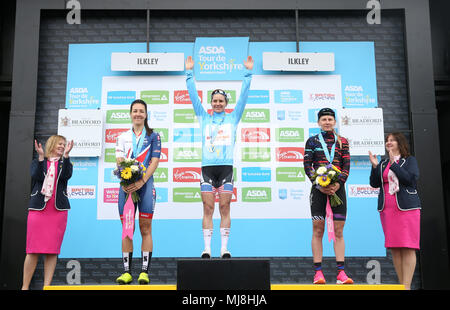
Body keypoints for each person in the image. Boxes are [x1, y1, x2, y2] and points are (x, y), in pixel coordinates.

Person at [185, 55, 254, 258]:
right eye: (214, 100)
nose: (217, 103)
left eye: (221, 101)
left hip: (226, 168)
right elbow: (193, 97)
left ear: (225, 103)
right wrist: (189, 74)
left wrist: (248, 74)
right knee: (207, 208)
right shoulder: (203, 117)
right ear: (211, 102)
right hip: (207, 168)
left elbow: (243, 97)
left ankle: (224, 249)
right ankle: (207, 248)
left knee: (224, 207)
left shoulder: (233, 117)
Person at [303, 108, 353, 284]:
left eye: (330, 119)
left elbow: (346, 166)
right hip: (318, 190)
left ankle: (341, 273)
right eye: (323, 119)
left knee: (339, 231)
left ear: (335, 122)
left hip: (338, 189)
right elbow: (307, 165)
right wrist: (318, 184)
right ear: (318, 122)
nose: (327, 122)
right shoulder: (312, 141)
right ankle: (318, 273)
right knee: (318, 229)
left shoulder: (343, 142)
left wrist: (338, 184)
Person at [115, 99, 161, 285]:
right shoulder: (122, 136)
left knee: (145, 228)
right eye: (135, 111)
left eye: (141, 111)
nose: (138, 114)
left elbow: (155, 162)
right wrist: (126, 180)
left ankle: (144, 272)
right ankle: (126, 272)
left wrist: (142, 181)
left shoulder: (154, 136)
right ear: (130, 114)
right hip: (126, 186)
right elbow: (119, 161)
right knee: (127, 230)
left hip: (146, 186)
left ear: (146, 114)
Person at [369, 132, 421, 290]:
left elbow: (410, 180)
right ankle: (402, 286)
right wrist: (375, 166)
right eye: (387, 140)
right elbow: (374, 184)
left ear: (400, 143)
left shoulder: (409, 160)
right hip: (388, 209)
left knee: (408, 246)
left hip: (407, 208)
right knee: (395, 248)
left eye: (392, 140)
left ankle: (407, 286)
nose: (388, 142)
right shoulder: (383, 163)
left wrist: (394, 164)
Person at [22, 135, 74, 290]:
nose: (62, 146)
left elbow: (66, 176)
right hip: (39, 210)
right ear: (52, 144)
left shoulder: (65, 163)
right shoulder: (39, 162)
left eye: (64, 144)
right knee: (32, 250)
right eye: (60, 143)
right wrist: (40, 156)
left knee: (52, 251)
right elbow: (36, 176)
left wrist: (66, 156)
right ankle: (25, 287)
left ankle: (47, 287)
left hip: (57, 212)